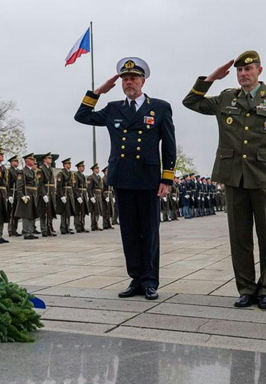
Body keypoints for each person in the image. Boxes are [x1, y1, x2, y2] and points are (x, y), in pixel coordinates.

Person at [183, 50, 266, 310]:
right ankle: (246, 289)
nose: (243, 74)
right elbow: (190, 102)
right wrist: (211, 78)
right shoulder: (225, 98)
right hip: (233, 176)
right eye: (239, 71)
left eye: (248, 69)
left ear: (259, 70)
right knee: (239, 238)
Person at [75, 57, 176, 300]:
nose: (129, 82)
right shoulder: (113, 108)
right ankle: (136, 279)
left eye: (133, 78)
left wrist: (167, 179)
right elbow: (82, 116)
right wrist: (98, 92)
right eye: (125, 79)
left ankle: (150, 281)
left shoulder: (159, 107)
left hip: (149, 178)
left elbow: (169, 146)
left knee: (150, 231)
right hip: (122, 177)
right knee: (129, 231)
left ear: (143, 81)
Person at [15, 153, 39, 239]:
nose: (33, 161)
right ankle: (26, 232)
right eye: (31, 159)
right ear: (26, 161)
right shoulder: (22, 172)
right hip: (26, 195)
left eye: (33, 160)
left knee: (32, 214)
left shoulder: (32, 171)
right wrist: (22, 196)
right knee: (26, 215)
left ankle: (31, 231)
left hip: (33, 194)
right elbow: (19, 186)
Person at [38, 152, 57, 237]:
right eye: (49, 158)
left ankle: (49, 227)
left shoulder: (50, 169)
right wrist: (44, 194)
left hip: (51, 192)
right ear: (44, 160)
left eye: (51, 158)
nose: (50, 159)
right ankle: (44, 229)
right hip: (45, 192)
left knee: (50, 211)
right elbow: (40, 183)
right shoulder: (41, 169)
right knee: (44, 212)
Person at [56, 158, 77, 234]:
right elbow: (59, 186)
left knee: (69, 211)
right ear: (64, 165)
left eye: (70, 164)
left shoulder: (71, 173)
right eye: (68, 164)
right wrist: (61, 196)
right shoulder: (61, 174)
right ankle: (63, 228)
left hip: (69, 193)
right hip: (64, 193)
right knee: (64, 212)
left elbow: (73, 185)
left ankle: (67, 226)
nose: (69, 165)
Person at [7, 155, 21, 237]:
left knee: (16, 213)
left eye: (17, 161)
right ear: (11, 162)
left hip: (17, 193)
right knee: (11, 213)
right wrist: (9, 195)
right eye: (15, 161)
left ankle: (15, 229)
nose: (17, 162)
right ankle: (10, 230)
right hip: (12, 192)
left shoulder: (19, 171)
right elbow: (7, 184)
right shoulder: (9, 171)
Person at [73, 161, 89, 233]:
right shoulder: (75, 175)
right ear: (78, 168)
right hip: (79, 195)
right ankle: (77, 226)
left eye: (83, 167)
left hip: (83, 194)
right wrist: (78, 196)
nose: (83, 168)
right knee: (78, 212)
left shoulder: (82, 175)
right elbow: (75, 187)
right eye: (81, 167)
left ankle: (82, 226)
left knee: (83, 211)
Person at [87, 163, 103, 231]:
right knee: (94, 211)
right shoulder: (91, 177)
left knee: (98, 211)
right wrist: (91, 197)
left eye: (98, 168)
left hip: (99, 195)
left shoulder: (99, 177)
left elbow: (101, 188)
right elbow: (89, 188)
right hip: (94, 195)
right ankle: (93, 225)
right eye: (96, 168)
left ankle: (96, 224)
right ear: (93, 170)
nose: (98, 170)